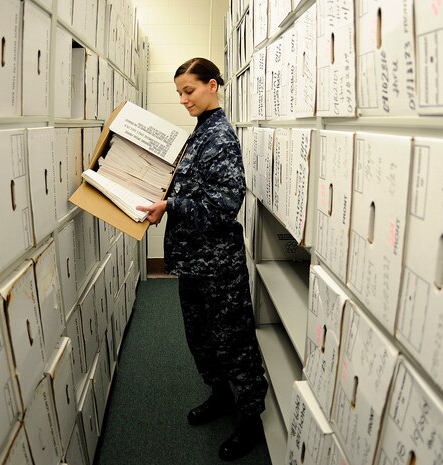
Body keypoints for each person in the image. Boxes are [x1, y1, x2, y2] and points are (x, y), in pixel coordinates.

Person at [136, 57, 268, 461]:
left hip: (218, 268)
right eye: (178, 92)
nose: (182, 99)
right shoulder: (200, 132)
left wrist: (171, 205)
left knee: (233, 344)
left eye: (188, 91)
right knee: (202, 340)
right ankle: (220, 395)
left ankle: (250, 419)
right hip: (195, 263)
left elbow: (227, 201)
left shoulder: (221, 136)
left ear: (212, 85)